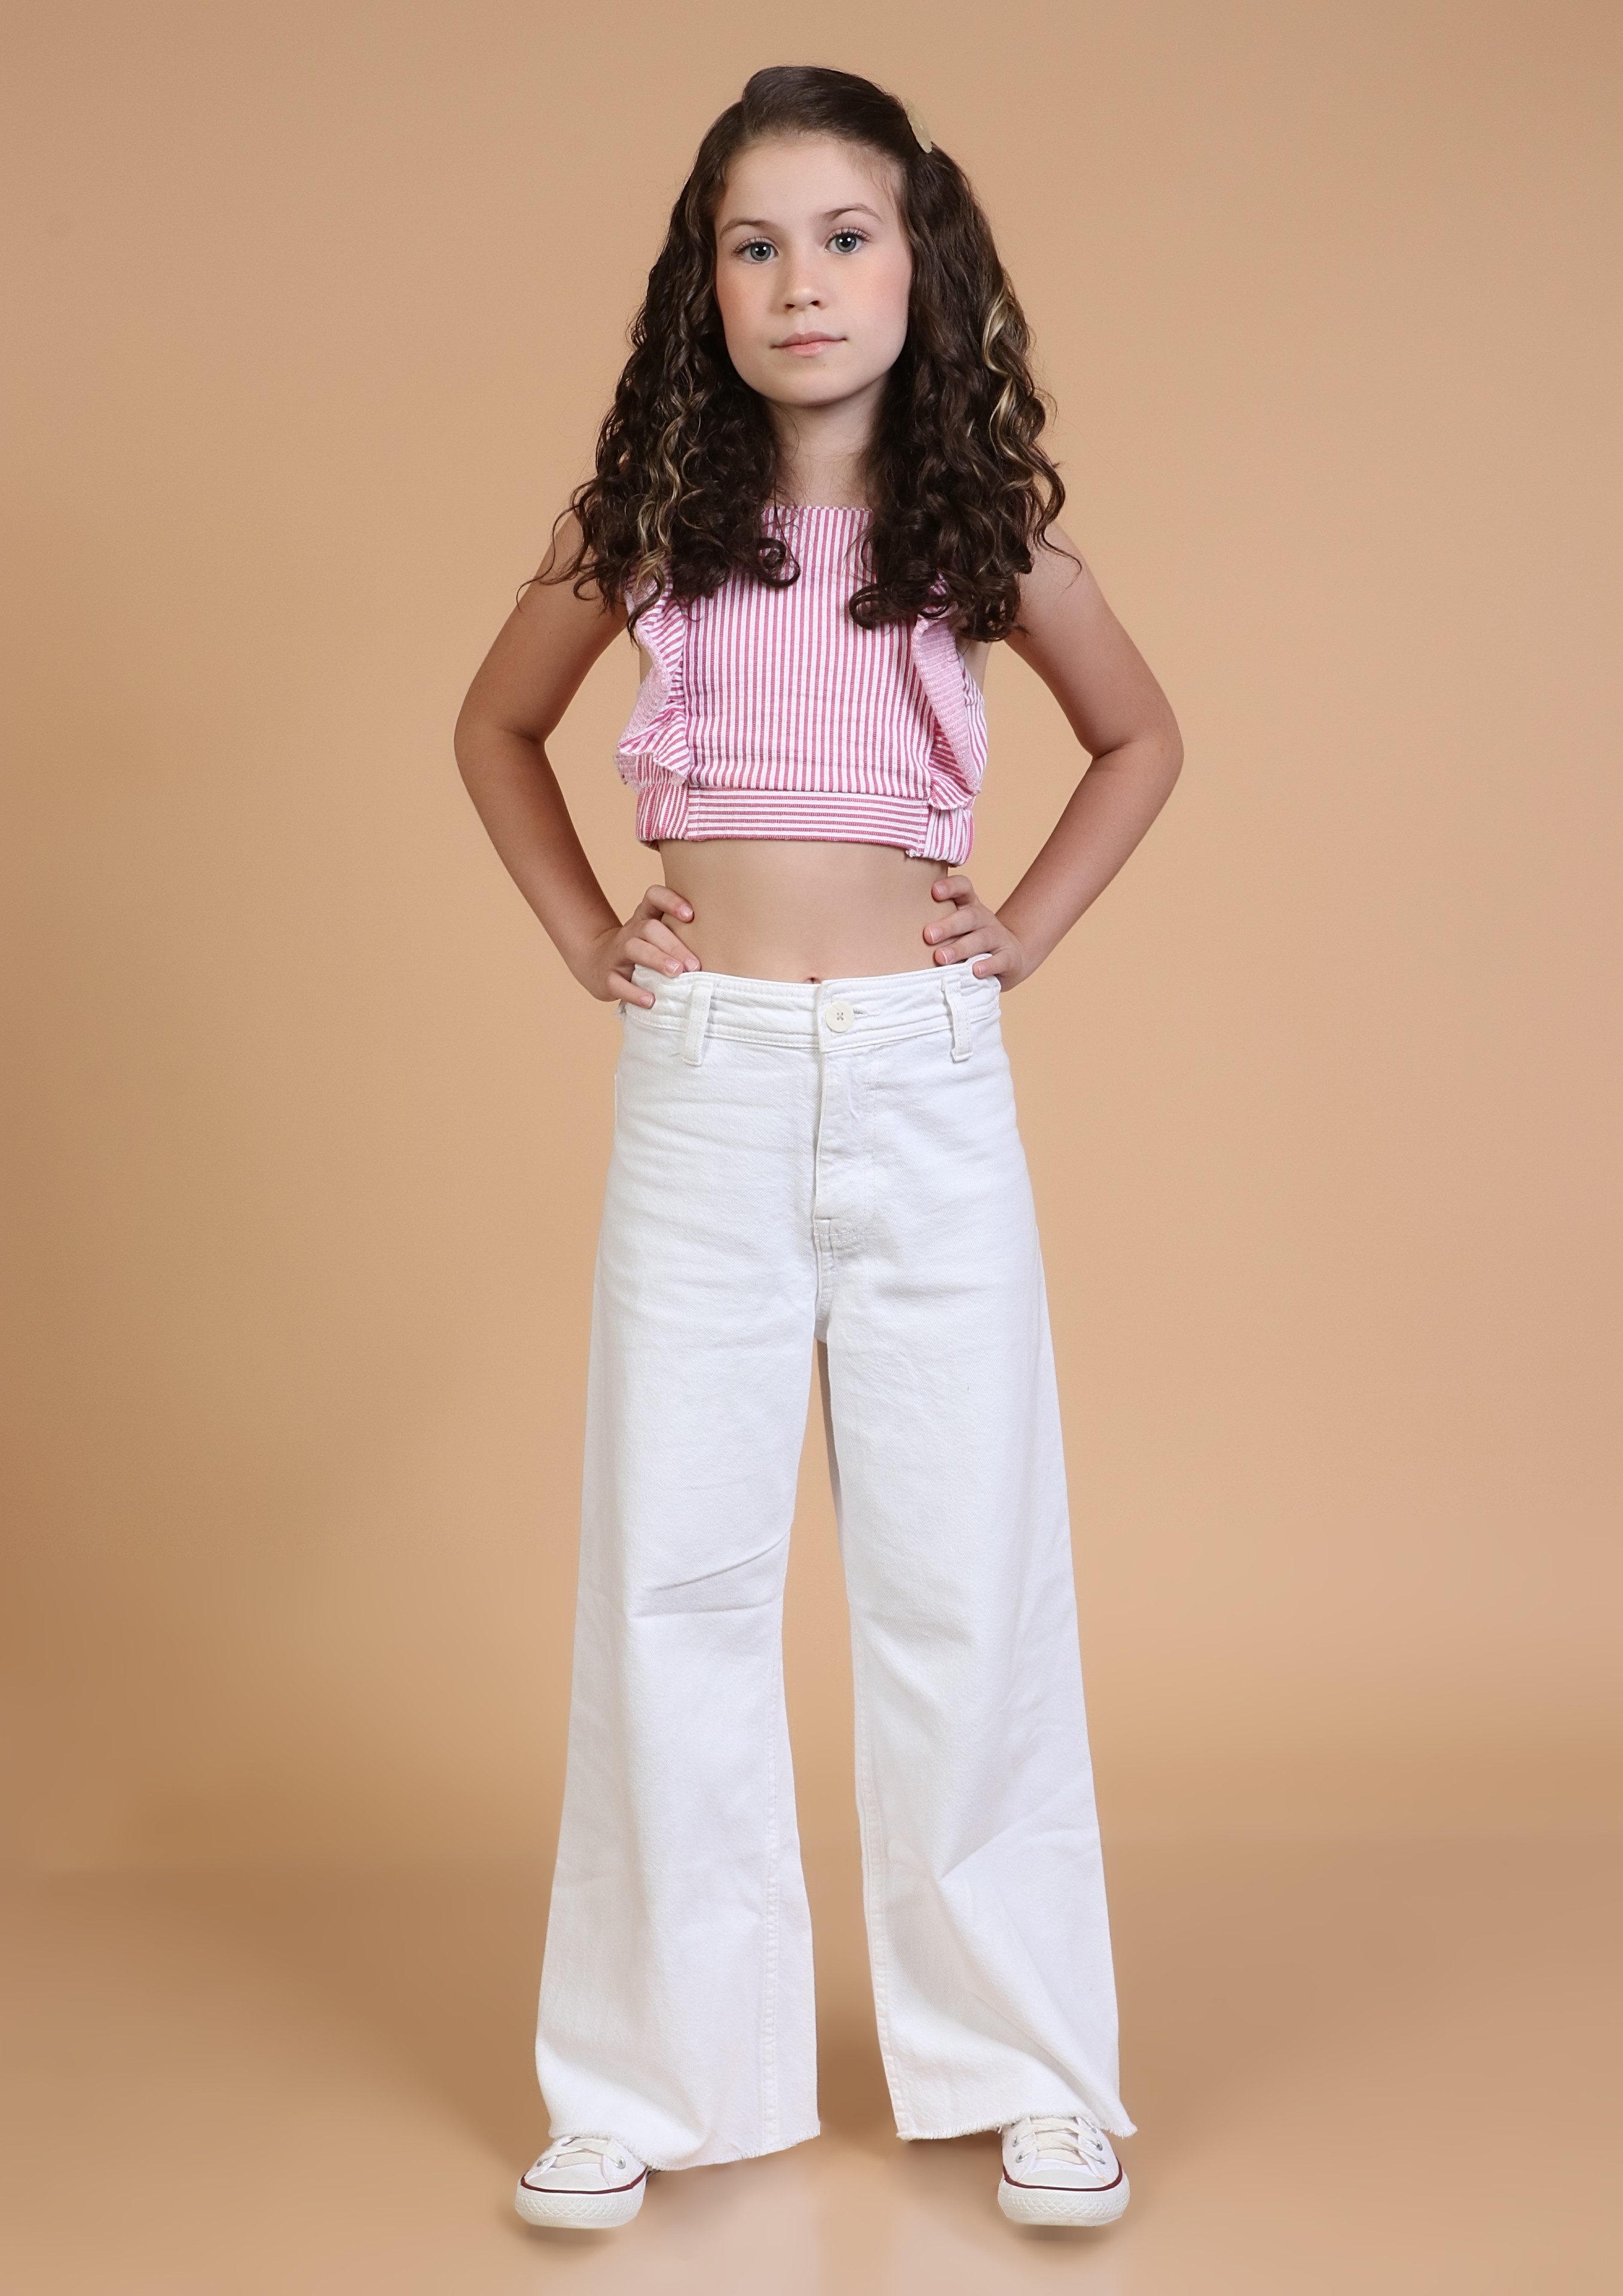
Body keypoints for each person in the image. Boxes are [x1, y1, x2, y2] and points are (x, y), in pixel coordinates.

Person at [454, 64, 1182, 2234]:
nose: (800, 282)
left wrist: (1019, 930)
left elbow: (1140, 736)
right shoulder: (646, 529)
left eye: (843, 237)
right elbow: (492, 725)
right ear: (703, 283)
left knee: (965, 1572)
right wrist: (586, 934)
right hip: (705, 1085)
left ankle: (1033, 2071)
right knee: (671, 1575)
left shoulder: (982, 537)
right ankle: (641, 2080)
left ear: (917, 261)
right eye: (752, 244)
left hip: (921, 1078)